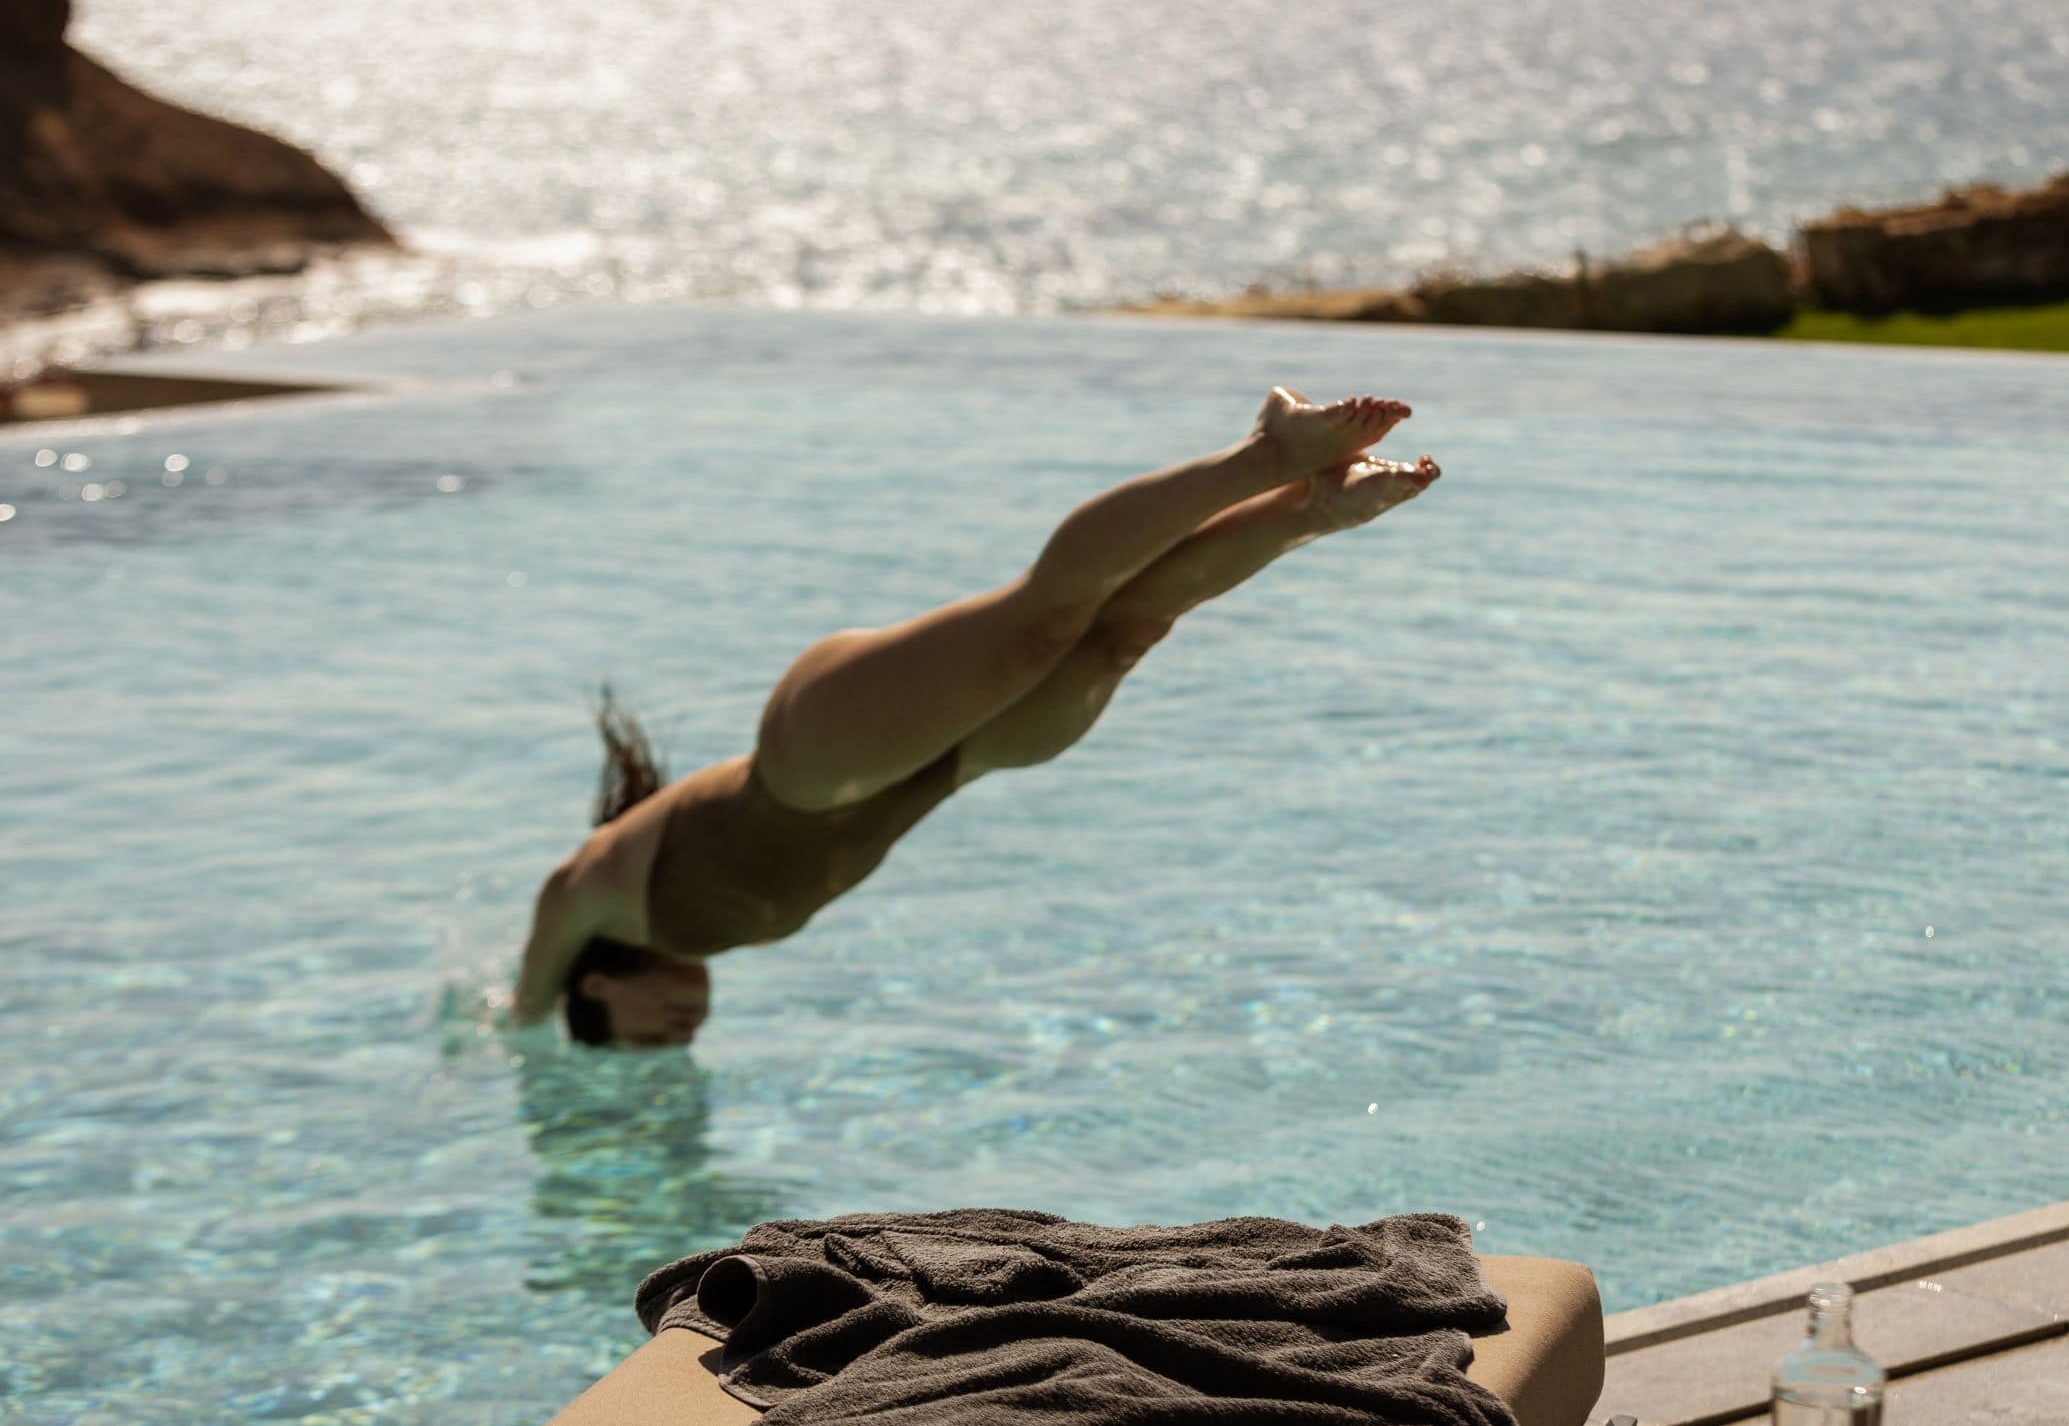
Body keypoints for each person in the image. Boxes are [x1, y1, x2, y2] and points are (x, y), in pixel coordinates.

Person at [511, 388, 1440, 1046]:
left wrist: (515, 1018)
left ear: (592, 990)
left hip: (811, 764)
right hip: (945, 770)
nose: (675, 1039)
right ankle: (1309, 507)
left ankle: (1268, 451)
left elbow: (543, 929)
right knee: (1123, 633)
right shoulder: (673, 925)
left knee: (1043, 621)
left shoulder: (595, 892)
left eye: (639, 1041)